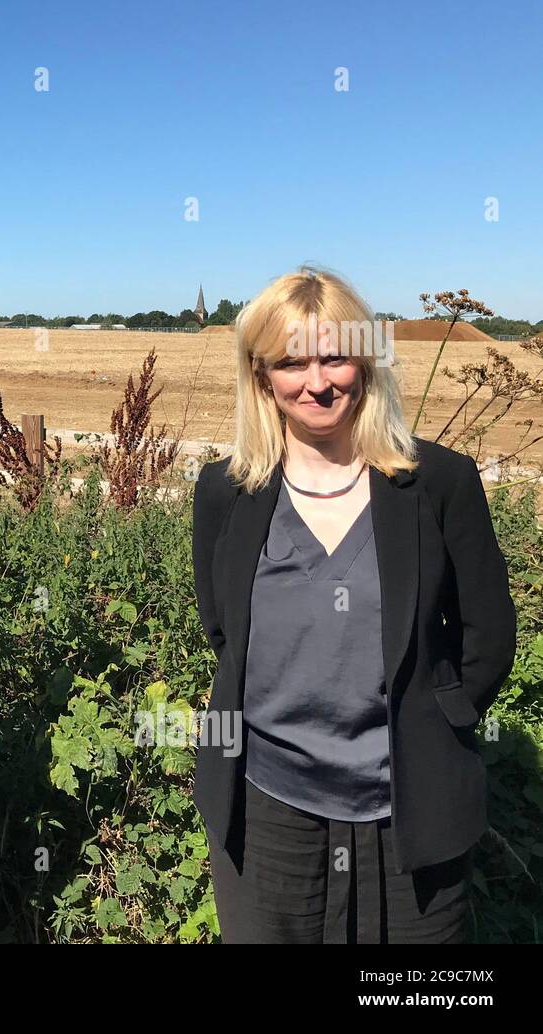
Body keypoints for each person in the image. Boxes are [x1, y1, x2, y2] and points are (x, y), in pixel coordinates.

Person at [190, 265, 516, 943]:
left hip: (412, 806)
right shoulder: (226, 492)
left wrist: (440, 718)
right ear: (262, 377)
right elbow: (224, 631)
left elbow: (488, 634)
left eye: (334, 356)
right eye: (292, 362)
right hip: (266, 810)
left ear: (365, 362)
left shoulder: (439, 484)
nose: (317, 382)